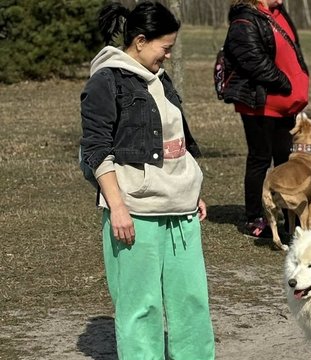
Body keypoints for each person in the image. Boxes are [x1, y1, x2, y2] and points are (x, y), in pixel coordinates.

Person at [79, 1, 215, 358]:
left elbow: (174, 142)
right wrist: (117, 206)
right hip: (136, 213)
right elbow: (96, 150)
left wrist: (191, 189)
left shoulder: (159, 78)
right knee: (141, 307)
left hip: (180, 209)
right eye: (164, 48)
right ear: (140, 41)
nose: (167, 56)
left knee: (192, 301)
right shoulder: (105, 82)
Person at [222, 0, 309, 237]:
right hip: (258, 103)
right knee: (260, 158)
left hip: (283, 103)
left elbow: (293, 49)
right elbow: (253, 62)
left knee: (285, 157)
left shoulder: (278, 14)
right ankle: (255, 217)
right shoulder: (244, 20)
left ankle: (287, 213)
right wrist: (284, 83)